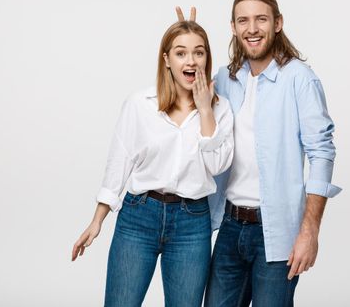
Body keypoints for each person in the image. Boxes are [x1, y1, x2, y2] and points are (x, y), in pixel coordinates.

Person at [178, 0, 341, 306]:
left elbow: (322, 151)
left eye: (261, 19)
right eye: (243, 21)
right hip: (228, 227)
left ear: (277, 23)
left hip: (277, 233)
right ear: (233, 27)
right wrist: (184, 36)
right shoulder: (225, 79)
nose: (252, 29)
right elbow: (184, 101)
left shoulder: (300, 79)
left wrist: (309, 231)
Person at [71, 20, 234, 307]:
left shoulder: (220, 108)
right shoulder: (140, 104)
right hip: (139, 217)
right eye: (181, 53)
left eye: (199, 52)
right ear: (166, 59)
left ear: (207, 57)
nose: (191, 60)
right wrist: (97, 220)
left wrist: (206, 109)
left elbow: (217, 165)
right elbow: (118, 163)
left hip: (192, 223)